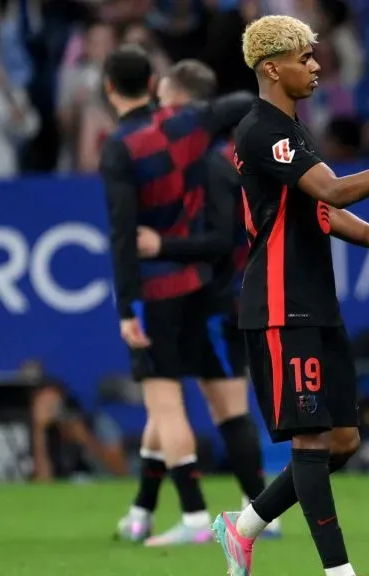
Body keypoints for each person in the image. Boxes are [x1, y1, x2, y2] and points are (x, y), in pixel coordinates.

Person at [211, 15, 369, 576]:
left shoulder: (294, 131)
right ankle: (339, 571)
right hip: (279, 303)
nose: (317, 66)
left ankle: (243, 527)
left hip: (315, 302)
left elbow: (324, 211)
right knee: (310, 442)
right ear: (272, 68)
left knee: (344, 441)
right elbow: (334, 188)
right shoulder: (260, 130)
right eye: (305, 58)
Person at [99, 44, 254, 547]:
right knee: (162, 407)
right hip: (194, 286)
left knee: (165, 403)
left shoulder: (122, 146)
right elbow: (240, 103)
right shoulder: (187, 128)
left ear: (107, 88)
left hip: (155, 287)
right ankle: (142, 510)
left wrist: (125, 306)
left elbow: (124, 234)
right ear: (151, 85)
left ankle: (193, 516)